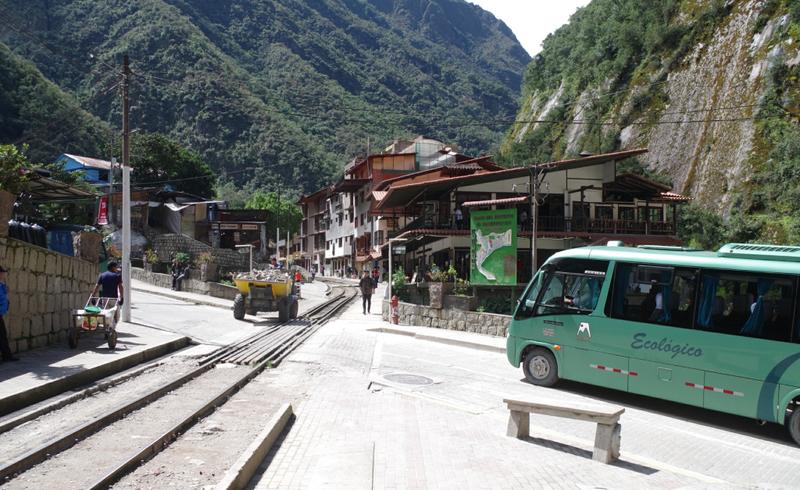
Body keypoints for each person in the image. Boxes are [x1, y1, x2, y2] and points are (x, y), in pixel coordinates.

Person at [0, 265, 19, 362]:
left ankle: (6, 356)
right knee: (2, 335)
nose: (3, 274)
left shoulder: (1, 285)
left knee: (2, 335)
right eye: (2, 272)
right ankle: (7, 356)